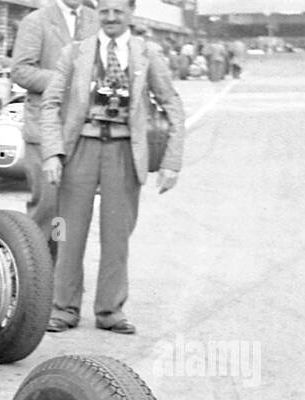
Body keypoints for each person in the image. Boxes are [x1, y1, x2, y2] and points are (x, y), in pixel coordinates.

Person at [39, 0, 184, 335]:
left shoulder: (147, 53)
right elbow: (50, 103)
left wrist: (172, 162)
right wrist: (52, 153)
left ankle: (109, 310)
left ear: (131, 12)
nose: (111, 17)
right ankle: (63, 307)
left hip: (123, 151)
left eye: (118, 10)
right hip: (81, 149)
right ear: (97, 13)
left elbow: (172, 103)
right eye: (105, 10)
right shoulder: (75, 52)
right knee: (66, 231)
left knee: (117, 235)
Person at [11, 0, 98, 249]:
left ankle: (62, 270)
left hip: (84, 130)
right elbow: (21, 70)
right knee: (47, 206)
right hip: (44, 129)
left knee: (70, 211)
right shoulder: (36, 20)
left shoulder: (97, 19)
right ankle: (37, 272)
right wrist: (66, 80)